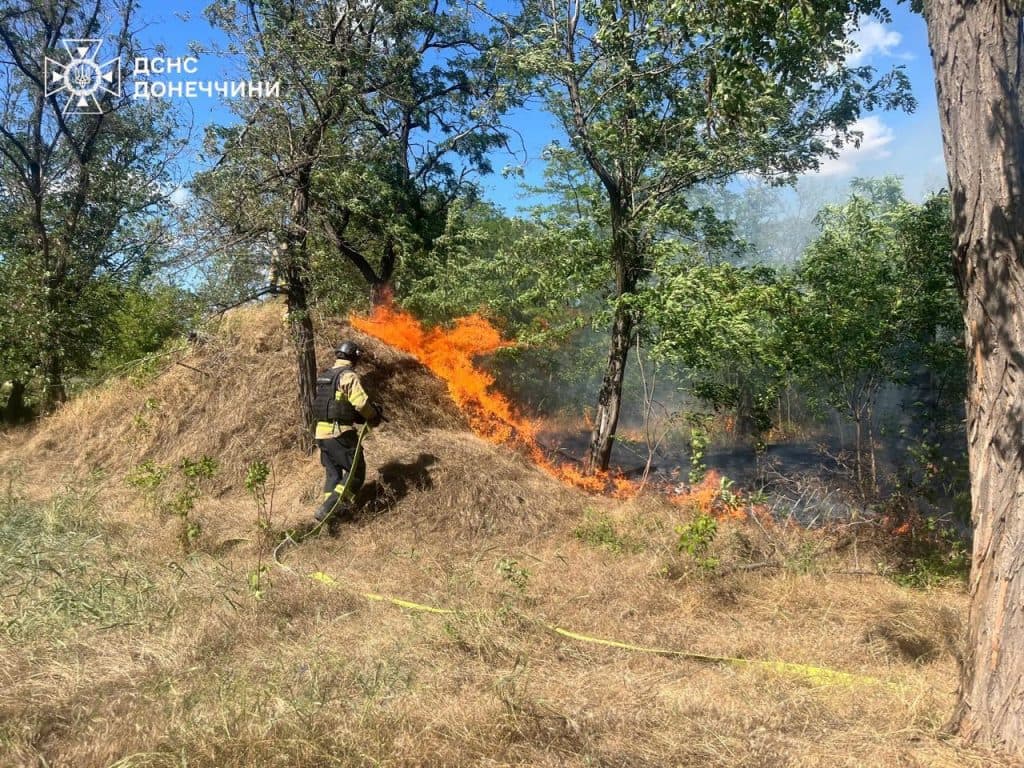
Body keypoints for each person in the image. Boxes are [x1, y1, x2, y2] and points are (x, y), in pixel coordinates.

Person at [312, 340, 381, 524]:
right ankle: (329, 509)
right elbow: (361, 403)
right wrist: (373, 415)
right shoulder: (348, 376)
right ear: (354, 357)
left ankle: (331, 517)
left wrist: (356, 416)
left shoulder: (326, 376)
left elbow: (335, 403)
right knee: (356, 472)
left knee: (333, 475)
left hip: (321, 434)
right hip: (339, 433)